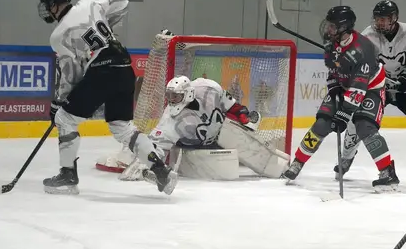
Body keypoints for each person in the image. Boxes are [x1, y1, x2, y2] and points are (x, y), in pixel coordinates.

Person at [37, 0, 177, 195]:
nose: (48, 10)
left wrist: (59, 102)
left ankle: (67, 176)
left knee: (64, 119)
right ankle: (160, 169)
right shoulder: (90, 2)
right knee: (122, 126)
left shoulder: (58, 35)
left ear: (54, 4)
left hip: (102, 72)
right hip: (124, 66)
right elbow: (122, 2)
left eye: (48, 5)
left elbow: (71, 75)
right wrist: (105, 28)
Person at [282, 5, 399, 191]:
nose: (328, 29)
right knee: (321, 124)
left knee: (365, 126)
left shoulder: (363, 49)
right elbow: (333, 70)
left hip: (371, 89)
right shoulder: (332, 44)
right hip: (345, 87)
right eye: (328, 25)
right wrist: (334, 86)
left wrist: (343, 115)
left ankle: (387, 172)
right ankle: (297, 162)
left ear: (344, 27)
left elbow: (359, 88)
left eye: (332, 26)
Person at [333, 0, 406, 180]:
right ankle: (346, 158)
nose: (379, 23)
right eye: (377, 19)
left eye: (383, 19)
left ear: (394, 18)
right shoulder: (367, 36)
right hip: (379, 86)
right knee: (356, 122)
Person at [119, 75, 289, 182]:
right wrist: (144, 163)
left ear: (188, 93)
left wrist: (243, 114)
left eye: (175, 96)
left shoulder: (208, 89)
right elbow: (156, 146)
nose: (171, 100)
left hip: (221, 132)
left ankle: (282, 169)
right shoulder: (170, 120)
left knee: (254, 149)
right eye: (169, 96)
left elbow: (230, 105)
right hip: (196, 147)